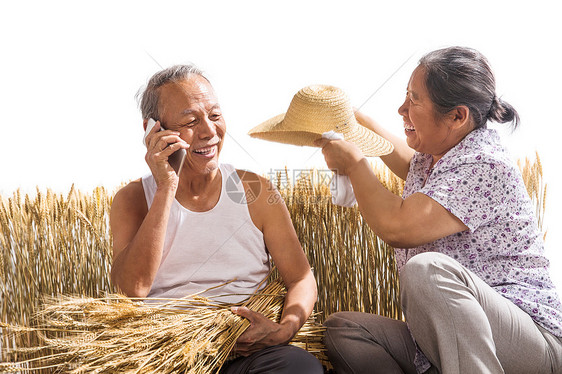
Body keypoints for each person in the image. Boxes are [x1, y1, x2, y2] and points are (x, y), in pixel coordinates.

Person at [316, 47, 562, 373]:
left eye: (414, 100)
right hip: (452, 340)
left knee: (427, 269)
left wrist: (354, 162)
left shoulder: (482, 162)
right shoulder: (437, 154)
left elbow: (399, 227)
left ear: (457, 116)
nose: (401, 108)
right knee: (344, 329)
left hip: (528, 341)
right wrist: (355, 123)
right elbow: (404, 160)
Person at [109, 64, 323, 374]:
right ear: (152, 130)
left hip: (248, 354)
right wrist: (166, 186)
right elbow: (132, 290)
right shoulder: (132, 200)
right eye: (191, 121)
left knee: (299, 367)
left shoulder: (255, 189)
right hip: (170, 358)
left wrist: (284, 330)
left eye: (215, 115)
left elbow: (301, 278)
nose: (209, 131)